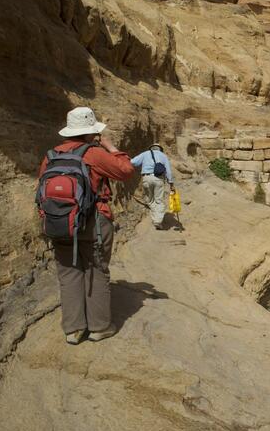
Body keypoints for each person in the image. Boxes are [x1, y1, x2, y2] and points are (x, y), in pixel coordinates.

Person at [38, 106, 134, 344]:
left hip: (59, 222)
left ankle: (73, 329)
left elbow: (42, 187)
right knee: (96, 270)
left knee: (68, 273)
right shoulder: (92, 153)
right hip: (94, 223)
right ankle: (99, 327)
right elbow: (126, 170)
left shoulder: (51, 155)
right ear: (92, 132)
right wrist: (111, 147)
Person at [131, 143, 174, 230]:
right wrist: (171, 183)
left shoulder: (145, 153)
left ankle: (156, 219)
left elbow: (133, 162)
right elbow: (168, 171)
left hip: (146, 178)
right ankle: (157, 220)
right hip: (159, 179)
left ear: (151, 148)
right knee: (159, 200)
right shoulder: (163, 156)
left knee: (150, 201)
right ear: (160, 149)